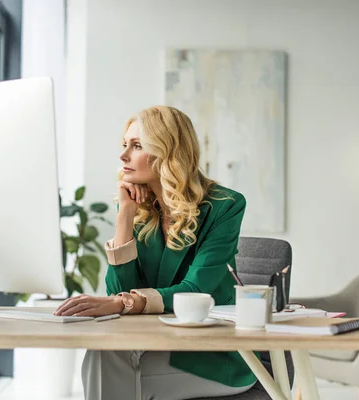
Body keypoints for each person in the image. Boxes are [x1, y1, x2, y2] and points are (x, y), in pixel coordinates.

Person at [54, 105, 257, 400]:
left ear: (169, 152)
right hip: (150, 342)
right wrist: (125, 216)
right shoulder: (138, 206)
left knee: (114, 377)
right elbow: (120, 293)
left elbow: (196, 289)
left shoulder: (225, 205)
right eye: (125, 145)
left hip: (210, 355)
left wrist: (124, 303)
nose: (123, 156)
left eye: (137, 146)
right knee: (104, 352)